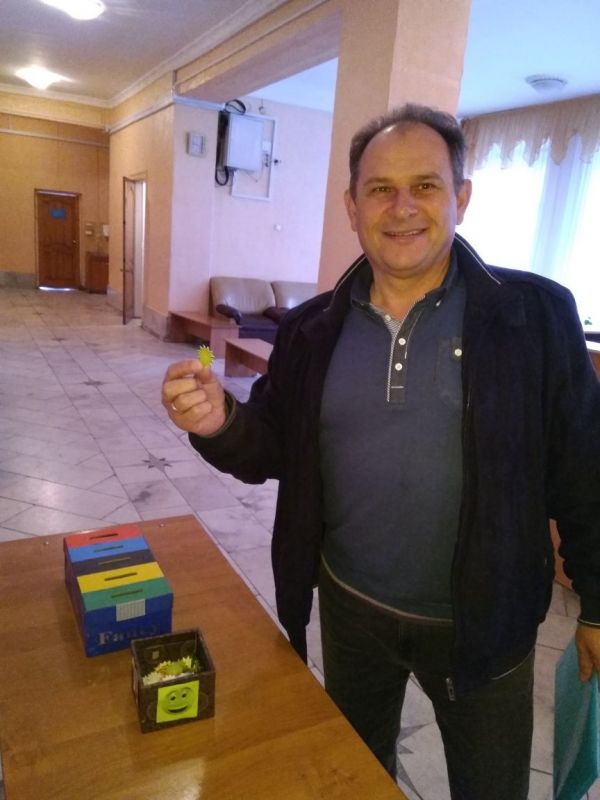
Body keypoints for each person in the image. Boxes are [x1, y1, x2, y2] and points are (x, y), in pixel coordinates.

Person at [162, 103, 600, 800]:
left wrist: (597, 604)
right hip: (351, 609)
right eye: (379, 189)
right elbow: (268, 446)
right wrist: (220, 422)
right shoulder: (311, 329)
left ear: (461, 198)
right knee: (355, 776)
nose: (402, 208)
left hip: (484, 623)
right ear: (351, 206)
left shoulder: (534, 316)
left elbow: (585, 470)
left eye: (425, 185)